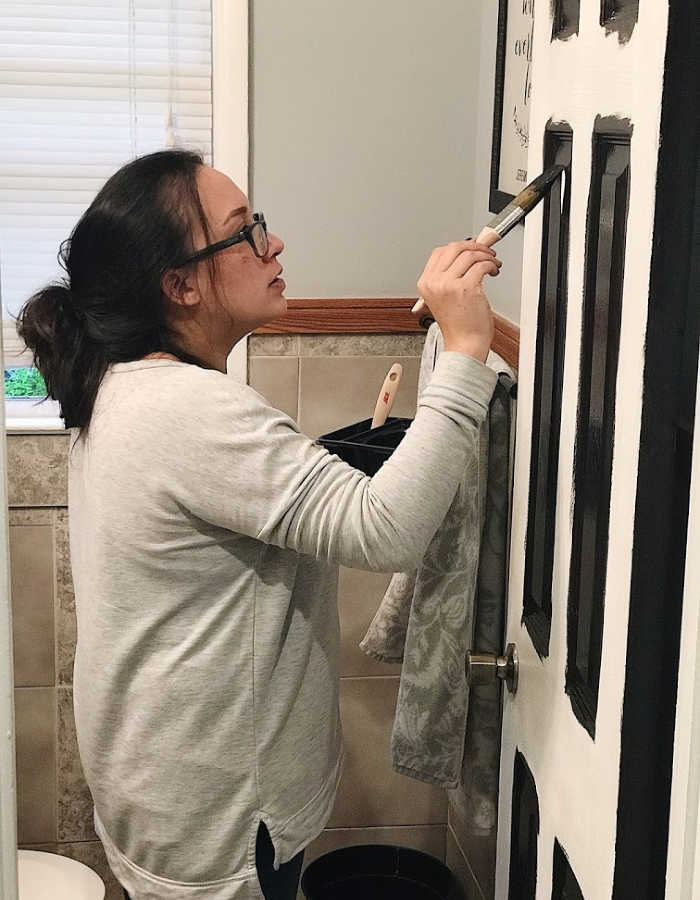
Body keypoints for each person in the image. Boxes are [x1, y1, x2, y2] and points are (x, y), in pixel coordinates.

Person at [17, 149, 502, 900]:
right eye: (244, 233)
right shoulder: (189, 408)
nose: (273, 245)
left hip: (168, 791)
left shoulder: (123, 383)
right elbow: (388, 532)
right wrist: (467, 349)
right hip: (220, 820)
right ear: (178, 285)